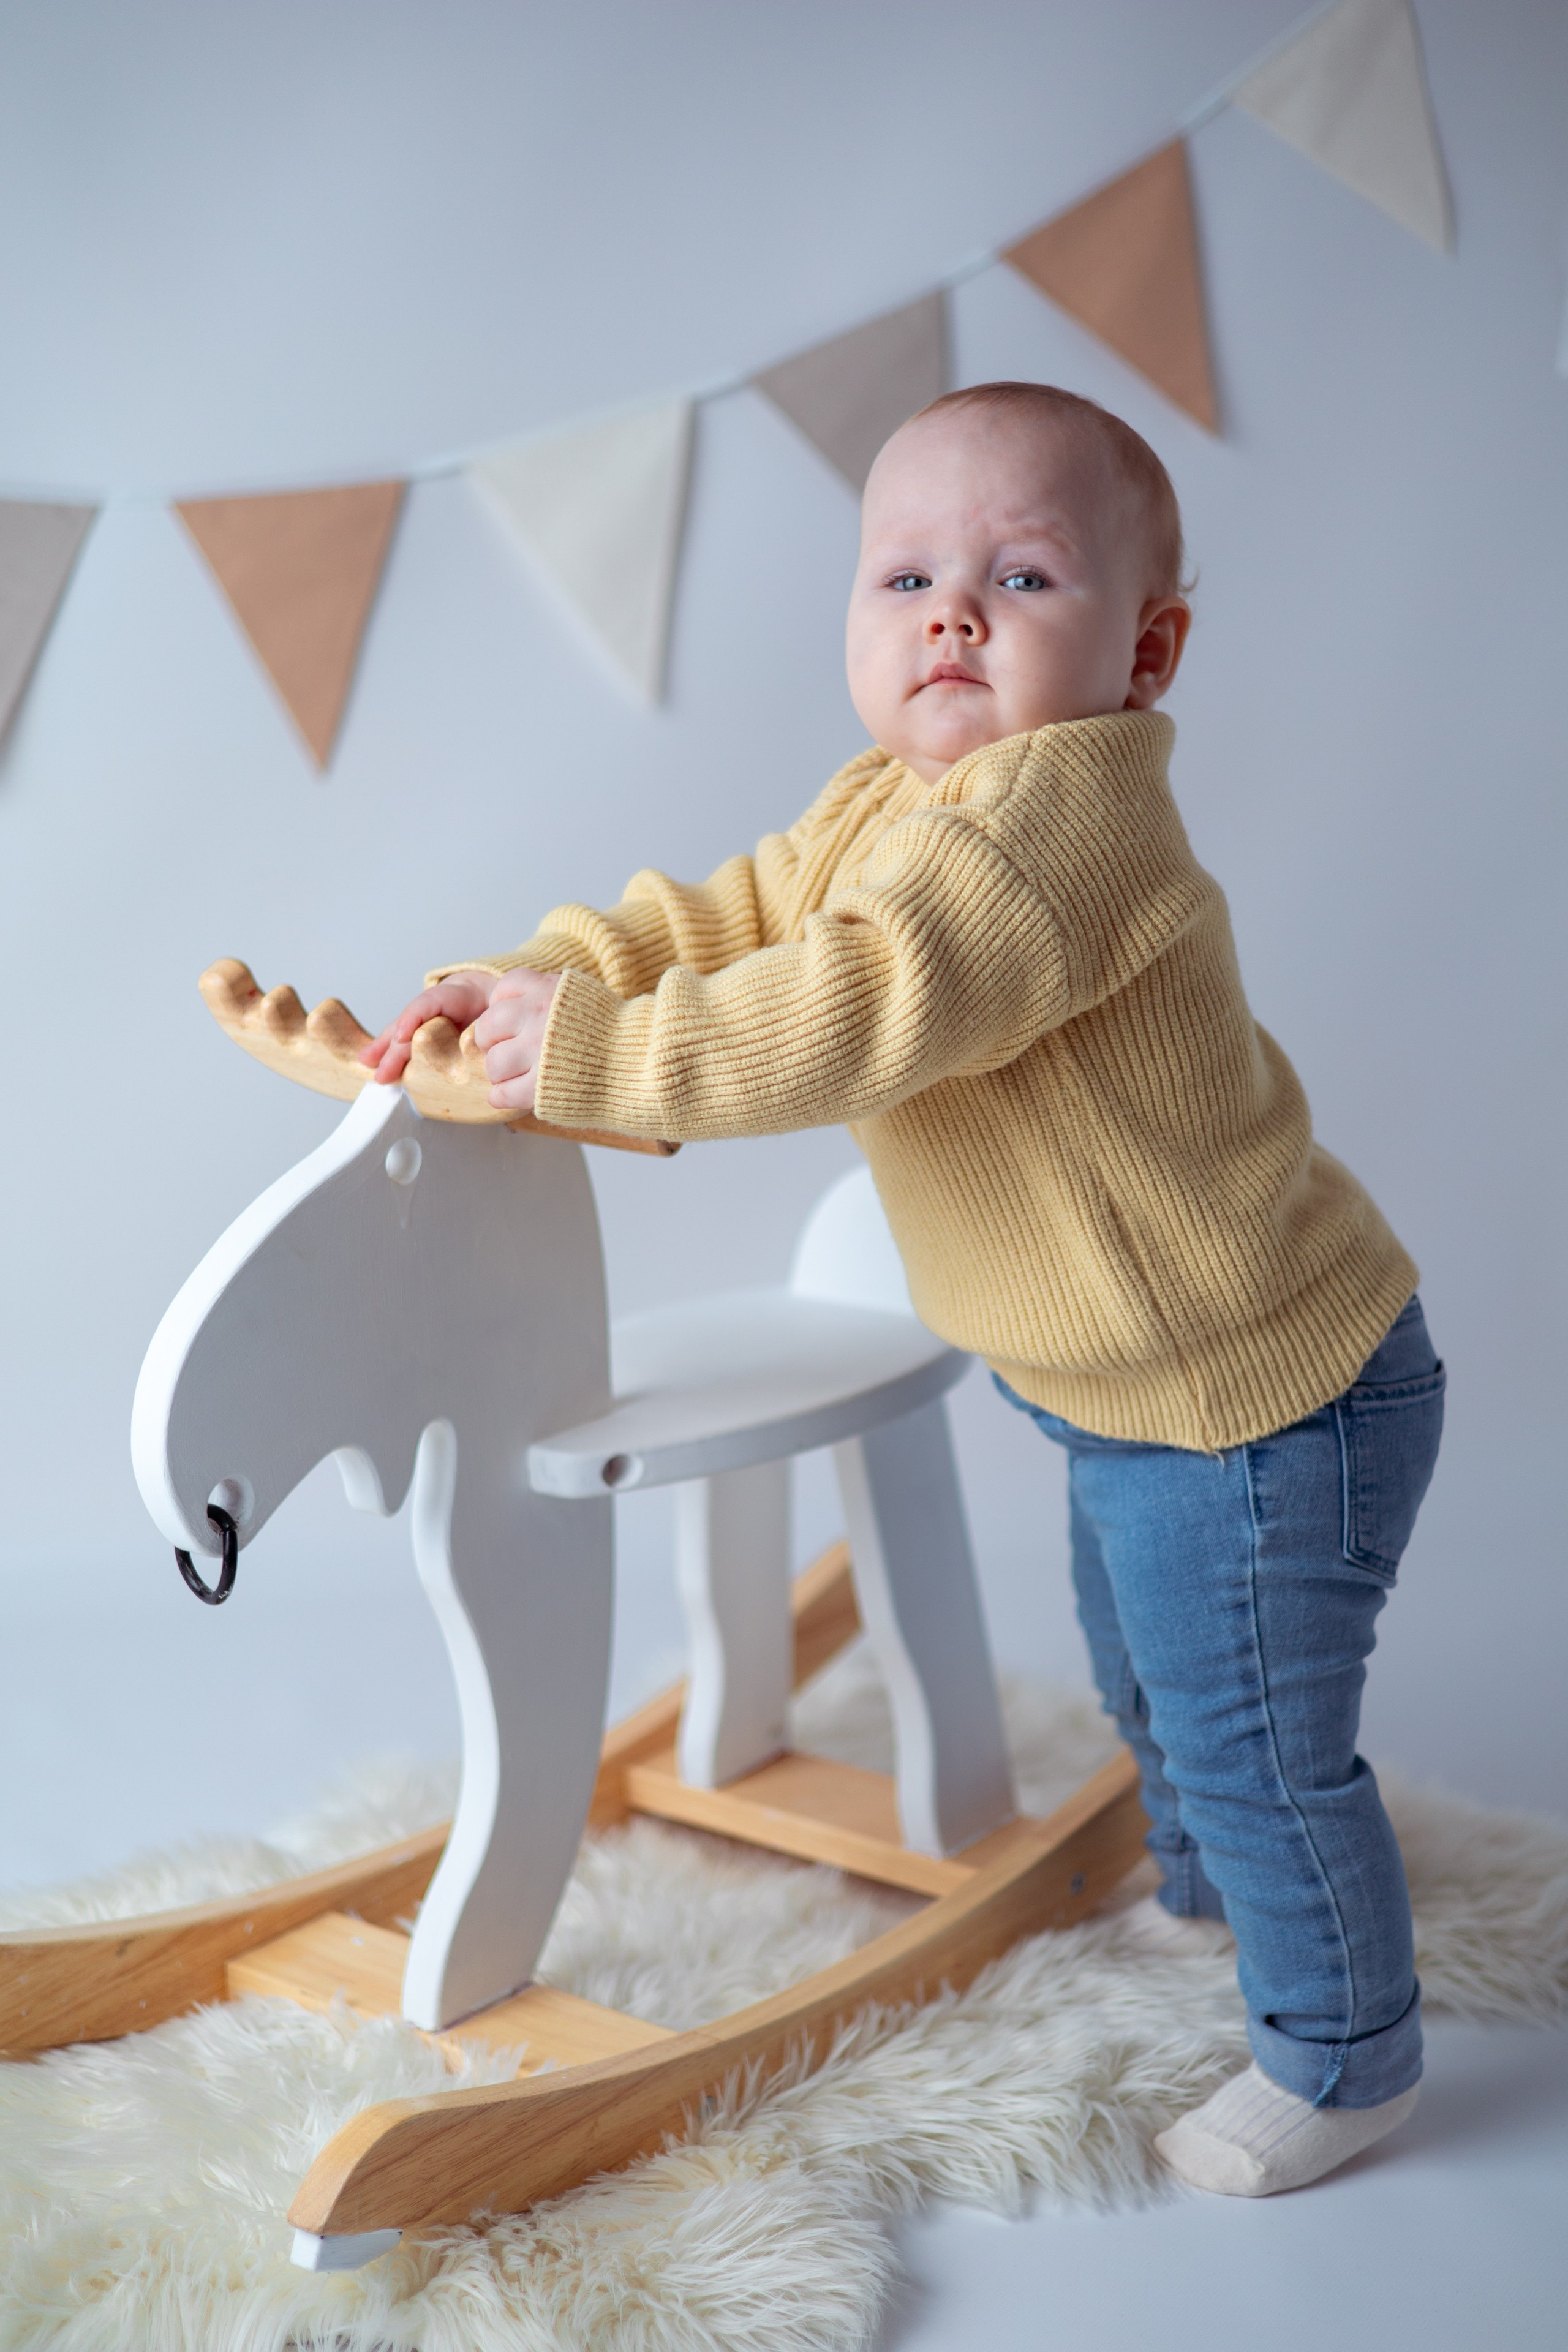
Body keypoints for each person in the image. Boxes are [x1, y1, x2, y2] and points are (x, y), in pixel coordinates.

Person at [362, 380, 1444, 2197]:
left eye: (1024, 578)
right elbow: (731, 918)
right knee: (1155, 1681)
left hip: (1267, 1399)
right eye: (907, 578)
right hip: (1126, 1391)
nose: (953, 614)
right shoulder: (887, 804)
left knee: (1256, 1729)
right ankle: (1201, 1889)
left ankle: (1348, 2051)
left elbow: (857, 1002)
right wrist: (547, 972)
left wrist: (600, 1059)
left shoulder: (1057, 829)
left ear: (1145, 650)